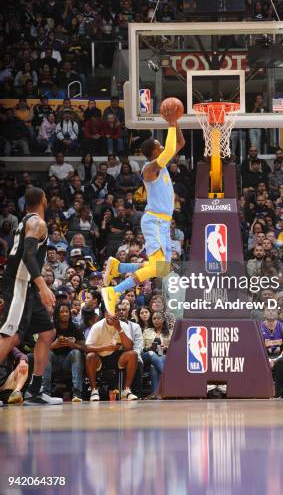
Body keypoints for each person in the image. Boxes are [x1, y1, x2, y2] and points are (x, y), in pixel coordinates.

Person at [101, 108, 185, 314]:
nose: (164, 146)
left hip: (163, 223)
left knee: (163, 269)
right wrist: (171, 123)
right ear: (154, 152)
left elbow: (180, 143)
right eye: (160, 145)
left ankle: (118, 268)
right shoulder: (149, 169)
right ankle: (115, 291)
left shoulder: (162, 164)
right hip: (154, 221)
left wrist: (176, 122)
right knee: (157, 267)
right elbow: (169, 150)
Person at [0, 188, 61, 405]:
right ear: (44, 200)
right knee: (11, 336)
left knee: (47, 332)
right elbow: (27, 254)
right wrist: (43, 285)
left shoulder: (24, 221)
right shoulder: (38, 223)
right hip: (19, 284)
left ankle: (35, 391)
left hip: (25, 285)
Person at [85, 311, 138, 401]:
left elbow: (129, 347)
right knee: (90, 356)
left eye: (114, 313)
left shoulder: (123, 325)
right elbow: (87, 348)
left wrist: (119, 329)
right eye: (109, 313)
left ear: (118, 314)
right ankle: (94, 391)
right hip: (99, 358)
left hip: (116, 356)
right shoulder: (97, 326)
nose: (112, 316)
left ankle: (126, 390)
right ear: (105, 314)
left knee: (133, 354)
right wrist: (105, 347)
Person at [42, 303, 85, 402]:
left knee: (76, 352)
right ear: (57, 314)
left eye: (66, 312)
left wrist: (73, 345)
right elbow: (41, 348)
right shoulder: (51, 328)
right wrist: (53, 345)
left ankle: (77, 392)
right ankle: (45, 392)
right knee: (47, 353)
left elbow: (84, 348)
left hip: (69, 362)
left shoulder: (75, 328)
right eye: (62, 312)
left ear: (70, 314)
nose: (65, 314)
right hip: (54, 362)